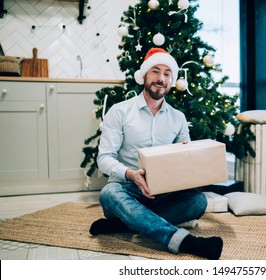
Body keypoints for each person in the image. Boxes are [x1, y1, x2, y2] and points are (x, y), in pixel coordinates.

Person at [89, 48, 223, 260]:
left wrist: (189, 159)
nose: (161, 78)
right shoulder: (120, 111)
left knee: (198, 201)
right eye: (155, 71)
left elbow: (184, 162)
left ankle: (126, 224)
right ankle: (184, 241)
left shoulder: (178, 118)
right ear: (144, 75)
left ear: (172, 80)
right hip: (126, 190)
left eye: (167, 74)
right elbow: (104, 158)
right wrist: (131, 174)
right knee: (108, 193)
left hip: (163, 192)